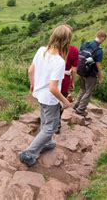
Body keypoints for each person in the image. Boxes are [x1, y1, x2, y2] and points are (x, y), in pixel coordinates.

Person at [19, 25, 73, 167]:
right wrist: (65, 101)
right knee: (51, 127)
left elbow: (30, 71)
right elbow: (53, 88)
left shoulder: (41, 50)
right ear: (67, 42)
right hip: (50, 98)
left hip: (39, 93)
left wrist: (33, 85)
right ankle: (29, 153)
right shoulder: (59, 62)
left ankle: (46, 142)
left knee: (45, 119)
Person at [73, 29, 107, 116]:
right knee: (88, 92)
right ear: (102, 38)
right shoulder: (98, 50)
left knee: (82, 89)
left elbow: (79, 56)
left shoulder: (85, 44)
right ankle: (80, 110)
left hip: (80, 70)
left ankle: (76, 105)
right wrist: (100, 77)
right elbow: (98, 66)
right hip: (90, 74)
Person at [57, 40, 79, 133]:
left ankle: (46, 122)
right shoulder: (73, 50)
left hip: (51, 79)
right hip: (64, 80)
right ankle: (56, 124)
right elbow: (74, 70)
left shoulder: (53, 48)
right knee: (61, 102)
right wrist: (73, 82)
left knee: (50, 100)